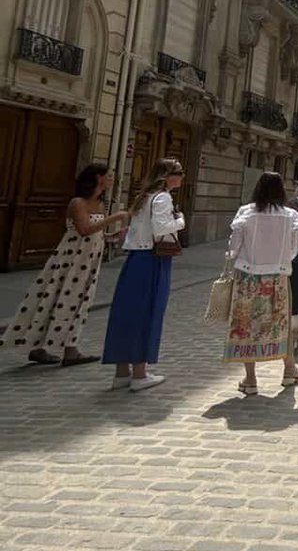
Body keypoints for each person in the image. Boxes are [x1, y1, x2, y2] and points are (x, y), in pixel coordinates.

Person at [1, 164, 129, 367]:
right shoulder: (77, 203)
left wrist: (110, 236)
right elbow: (84, 229)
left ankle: (68, 349)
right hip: (71, 260)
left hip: (88, 262)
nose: (112, 178)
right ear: (98, 178)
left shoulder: (99, 203)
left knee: (79, 302)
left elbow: (95, 232)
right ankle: (46, 348)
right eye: (109, 175)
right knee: (56, 298)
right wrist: (114, 218)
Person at [102, 157, 186, 391]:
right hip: (153, 259)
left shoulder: (144, 197)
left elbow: (138, 228)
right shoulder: (163, 198)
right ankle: (140, 373)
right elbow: (161, 229)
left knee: (126, 313)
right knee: (148, 312)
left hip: (135, 259)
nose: (181, 177)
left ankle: (121, 372)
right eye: (178, 173)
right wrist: (180, 221)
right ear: (166, 176)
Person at [224, 171, 298, 395]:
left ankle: (250, 379)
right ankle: (289, 370)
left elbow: (233, 247)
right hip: (277, 276)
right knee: (281, 322)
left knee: (245, 325)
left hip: (247, 276)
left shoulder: (246, 212)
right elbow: (294, 248)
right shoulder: (290, 215)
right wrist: (278, 259)